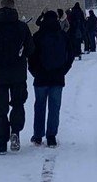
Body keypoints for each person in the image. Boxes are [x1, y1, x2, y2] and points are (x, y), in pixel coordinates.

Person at [0, 0, 34, 153]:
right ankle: (15, 132)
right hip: (18, 74)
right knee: (18, 104)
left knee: (1, 109)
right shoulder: (23, 28)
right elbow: (31, 50)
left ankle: (2, 142)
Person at [29, 9, 74, 146]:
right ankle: (51, 136)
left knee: (40, 106)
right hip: (57, 77)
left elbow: (31, 57)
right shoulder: (63, 36)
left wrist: (34, 72)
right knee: (54, 107)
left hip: (40, 77)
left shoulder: (37, 36)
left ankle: (37, 135)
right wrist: (63, 71)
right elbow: (70, 55)